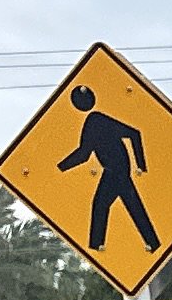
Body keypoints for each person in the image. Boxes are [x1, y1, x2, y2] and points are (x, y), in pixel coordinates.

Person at [57, 83, 158, 258]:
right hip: (114, 170)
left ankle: (97, 248)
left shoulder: (96, 120)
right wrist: (61, 167)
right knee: (125, 206)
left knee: (106, 205)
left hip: (116, 170)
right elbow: (85, 154)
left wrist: (141, 165)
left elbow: (134, 134)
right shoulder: (94, 120)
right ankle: (151, 244)